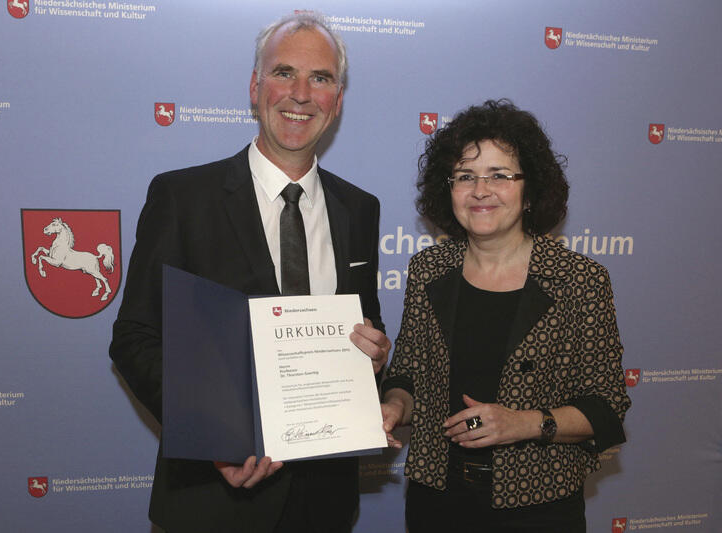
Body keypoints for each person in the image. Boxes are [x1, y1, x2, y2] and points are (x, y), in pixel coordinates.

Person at [109, 12, 391, 533]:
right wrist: (215, 440)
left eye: (321, 78)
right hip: (212, 501)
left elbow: (362, 319)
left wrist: (372, 354)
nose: (301, 94)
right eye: (284, 72)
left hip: (324, 504)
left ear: (338, 100)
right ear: (255, 87)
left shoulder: (360, 208)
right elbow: (135, 337)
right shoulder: (182, 197)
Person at [381, 100, 631, 532]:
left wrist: (520, 423)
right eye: (465, 176)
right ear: (449, 189)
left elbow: (606, 410)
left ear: (530, 189)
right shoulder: (428, 270)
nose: (481, 190)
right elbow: (407, 376)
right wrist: (394, 406)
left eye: (499, 175)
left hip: (537, 509)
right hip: (436, 501)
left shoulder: (579, 280)